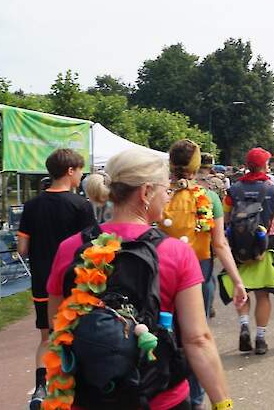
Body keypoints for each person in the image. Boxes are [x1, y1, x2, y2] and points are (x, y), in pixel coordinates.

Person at [46, 148, 232, 409]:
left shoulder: (70, 247)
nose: (168, 197)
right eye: (165, 190)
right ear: (146, 192)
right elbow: (197, 339)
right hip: (160, 397)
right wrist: (222, 403)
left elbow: (57, 326)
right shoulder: (176, 253)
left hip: (91, 396)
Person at [162, 140, 247, 409]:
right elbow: (220, 243)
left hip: (160, 272)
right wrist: (237, 280)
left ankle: (168, 392)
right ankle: (195, 399)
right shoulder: (208, 197)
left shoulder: (159, 194)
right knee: (195, 336)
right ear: (197, 164)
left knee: (163, 334)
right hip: (197, 271)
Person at [17, 148, 97, 410]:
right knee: (78, 336)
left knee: (47, 338)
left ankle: (41, 387)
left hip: (42, 283)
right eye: (81, 170)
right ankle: (75, 390)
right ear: (70, 171)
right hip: (74, 284)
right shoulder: (81, 206)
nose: (82, 176)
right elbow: (91, 249)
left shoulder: (31, 205)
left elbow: (22, 248)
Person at [225, 147, 274, 355]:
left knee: (242, 290)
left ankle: (244, 325)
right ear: (265, 165)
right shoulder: (272, 188)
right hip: (265, 246)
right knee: (263, 295)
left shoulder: (234, 189)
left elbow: (227, 217)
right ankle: (261, 339)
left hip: (239, 247)